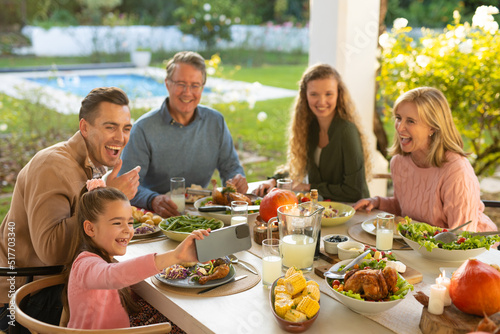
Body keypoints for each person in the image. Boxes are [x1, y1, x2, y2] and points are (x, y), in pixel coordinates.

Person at [0, 87, 141, 330]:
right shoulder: (52, 166)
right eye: (110, 127)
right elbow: (51, 252)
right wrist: (108, 200)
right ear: (85, 128)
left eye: (125, 128)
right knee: (147, 309)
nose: (121, 137)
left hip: (59, 282)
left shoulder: (90, 164)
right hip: (26, 297)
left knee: (142, 292)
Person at [65, 180, 209, 329]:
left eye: (130, 223)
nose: (128, 230)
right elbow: (112, 276)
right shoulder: (84, 265)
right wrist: (175, 256)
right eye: (117, 223)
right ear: (90, 229)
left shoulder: (101, 258)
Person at [120, 51, 247, 218]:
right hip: (155, 218)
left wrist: (237, 179)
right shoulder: (143, 129)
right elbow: (125, 185)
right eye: (181, 84)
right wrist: (152, 200)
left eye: (195, 85)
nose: (187, 92)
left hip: (202, 215)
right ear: (167, 84)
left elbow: (231, 167)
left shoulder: (215, 122)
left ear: (203, 87)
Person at [354, 87, 496, 232]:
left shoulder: (456, 171)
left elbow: (462, 234)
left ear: (432, 128)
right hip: (422, 248)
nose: (400, 127)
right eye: (398, 118)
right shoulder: (399, 162)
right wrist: (377, 202)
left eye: (410, 121)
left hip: (474, 250)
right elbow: (404, 208)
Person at [254, 63, 371, 202]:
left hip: (355, 213)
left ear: (339, 94)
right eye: (314, 94)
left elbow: (354, 191)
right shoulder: (308, 128)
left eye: (329, 94)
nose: (322, 102)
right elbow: (297, 165)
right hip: (324, 212)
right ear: (305, 96)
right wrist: (274, 181)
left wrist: (308, 187)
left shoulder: (347, 131)